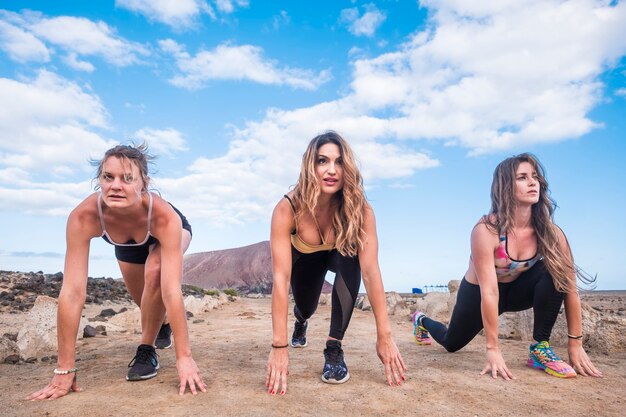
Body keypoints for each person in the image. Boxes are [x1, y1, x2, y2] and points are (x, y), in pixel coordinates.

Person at [28, 144, 206, 400]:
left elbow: (171, 290)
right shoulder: (84, 216)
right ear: (99, 179)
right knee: (144, 301)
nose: (116, 185)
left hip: (162, 231)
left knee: (156, 271)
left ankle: (146, 350)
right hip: (125, 242)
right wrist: (64, 369)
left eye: (127, 178)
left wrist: (184, 356)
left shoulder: (165, 216)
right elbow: (73, 292)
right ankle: (162, 324)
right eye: (108, 177)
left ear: (144, 183)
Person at [412, 153, 603, 380]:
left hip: (517, 292)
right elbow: (489, 291)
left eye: (535, 177)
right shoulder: (487, 230)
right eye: (522, 177)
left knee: (554, 271)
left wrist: (575, 344)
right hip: (479, 294)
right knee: (451, 343)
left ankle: (539, 348)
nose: (533, 182)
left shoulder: (552, 234)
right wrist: (493, 350)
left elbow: (570, 287)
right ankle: (421, 320)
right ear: (505, 186)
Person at [265, 131, 407, 395]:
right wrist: (279, 347)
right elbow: (281, 279)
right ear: (311, 166)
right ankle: (301, 319)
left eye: (339, 162)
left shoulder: (360, 209)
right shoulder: (287, 209)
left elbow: (370, 271)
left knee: (351, 256)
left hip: (339, 255)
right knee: (306, 306)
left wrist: (384, 335)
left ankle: (334, 349)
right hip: (305, 260)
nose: (331, 170)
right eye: (322, 161)